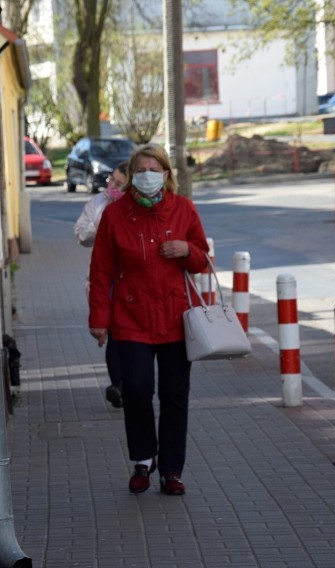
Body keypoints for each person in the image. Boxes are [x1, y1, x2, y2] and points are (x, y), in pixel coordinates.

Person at [88, 144, 209, 496]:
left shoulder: (183, 209)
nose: (147, 176)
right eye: (140, 170)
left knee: (175, 396)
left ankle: (171, 469)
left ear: (167, 174)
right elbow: (100, 271)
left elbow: (202, 259)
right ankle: (144, 459)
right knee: (137, 391)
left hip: (175, 318)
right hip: (131, 316)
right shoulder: (115, 215)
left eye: (154, 170)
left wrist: (187, 250)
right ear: (131, 175)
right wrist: (99, 319)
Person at [74, 162, 129, 408]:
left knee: (125, 332)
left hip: (129, 278)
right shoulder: (98, 203)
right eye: (111, 180)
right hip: (104, 277)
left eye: (119, 184)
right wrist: (100, 227)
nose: (112, 187)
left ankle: (126, 385)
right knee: (113, 331)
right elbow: (81, 233)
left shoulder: (135, 206)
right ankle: (119, 386)